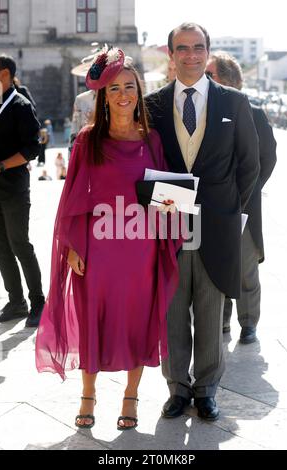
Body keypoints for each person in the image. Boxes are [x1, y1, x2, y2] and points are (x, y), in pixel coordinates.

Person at [35, 46, 181, 430]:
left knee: (137, 322)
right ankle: (88, 394)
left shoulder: (152, 141)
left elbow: (168, 197)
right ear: (103, 95)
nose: (123, 95)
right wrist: (72, 247)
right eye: (114, 88)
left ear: (139, 90)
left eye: (129, 87)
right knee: (93, 320)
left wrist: (179, 213)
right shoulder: (87, 140)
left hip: (140, 248)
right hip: (98, 250)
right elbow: (72, 200)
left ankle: (130, 397)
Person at [145, 23, 260, 421]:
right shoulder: (153, 105)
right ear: (171, 54)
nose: (190, 55)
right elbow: (145, 166)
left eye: (198, 48)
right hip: (168, 226)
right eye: (182, 48)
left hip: (217, 227)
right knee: (172, 312)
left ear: (208, 52)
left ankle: (206, 388)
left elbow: (249, 166)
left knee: (212, 312)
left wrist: (227, 212)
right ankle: (177, 387)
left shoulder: (235, 103)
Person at [205, 51, 277, 343]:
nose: (205, 79)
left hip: (245, 205)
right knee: (218, 265)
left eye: (211, 75)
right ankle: (221, 321)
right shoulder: (203, 111)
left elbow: (267, 158)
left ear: (229, 79)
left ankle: (248, 324)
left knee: (246, 268)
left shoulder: (254, 112)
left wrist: (247, 192)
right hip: (214, 207)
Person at [0, 53, 45, 328]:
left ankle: (38, 301)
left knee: (20, 245)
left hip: (14, 186)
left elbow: (31, 150)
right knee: (0, 248)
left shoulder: (21, 105)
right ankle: (16, 302)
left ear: (4, 73)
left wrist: (1, 165)